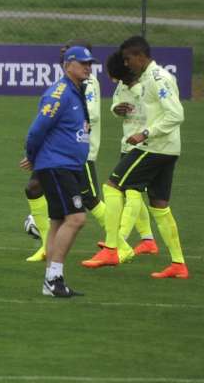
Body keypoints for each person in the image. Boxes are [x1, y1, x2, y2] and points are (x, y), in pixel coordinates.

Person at [82, 36, 188, 278]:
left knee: (112, 186)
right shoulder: (150, 77)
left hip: (154, 147)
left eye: (128, 59)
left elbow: (176, 114)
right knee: (159, 206)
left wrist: (145, 133)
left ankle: (112, 248)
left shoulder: (157, 78)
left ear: (140, 56)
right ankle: (178, 264)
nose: (126, 64)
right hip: (166, 148)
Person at [19, 45, 96, 298]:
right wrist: (32, 156)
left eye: (90, 63)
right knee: (76, 219)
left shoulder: (76, 91)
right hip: (58, 165)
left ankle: (51, 281)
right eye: (83, 63)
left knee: (58, 222)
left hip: (68, 164)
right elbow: (37, 129)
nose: (88, 67)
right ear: (68, 65)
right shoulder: (60, 93)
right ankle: (54, 278)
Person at [100, 51, 156, 254]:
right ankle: (148, 240)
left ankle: (119, 239)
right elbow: (116, 102)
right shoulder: (122, 85)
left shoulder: (148, 83)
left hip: (146, 144)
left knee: (131, 191)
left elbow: (153, 107)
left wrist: (134, 87)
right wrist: (116, 109)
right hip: (128, 143)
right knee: (131, 192)